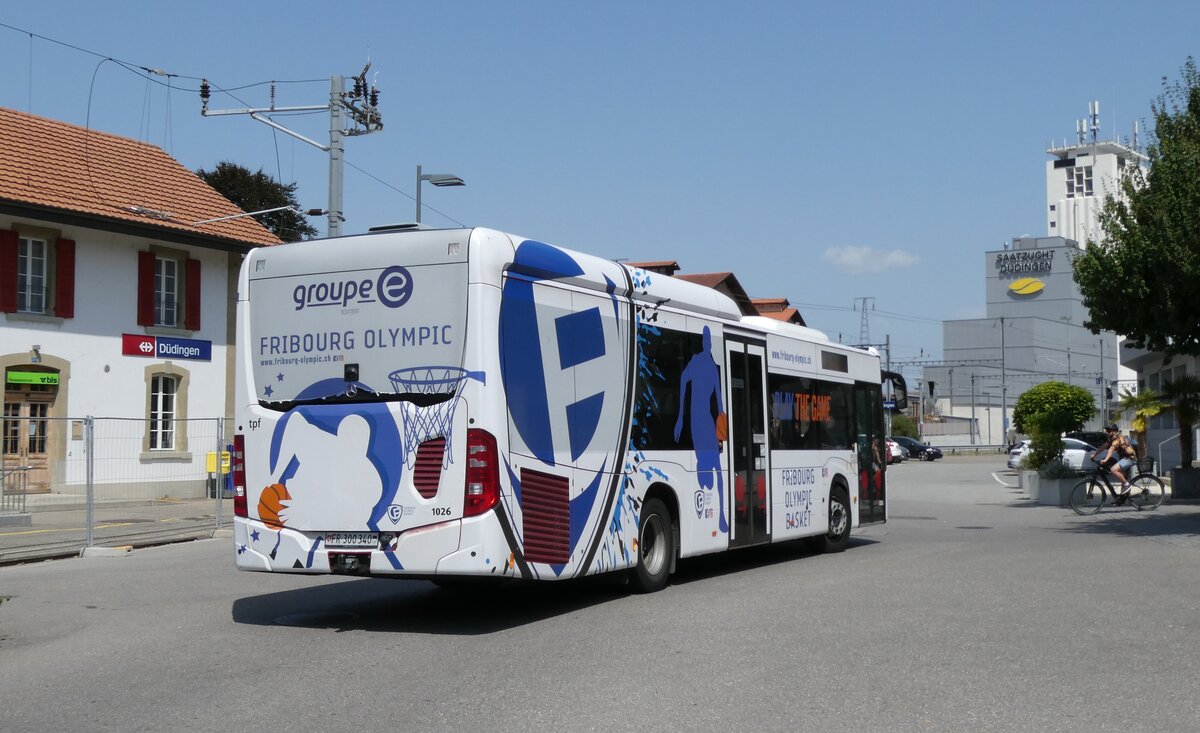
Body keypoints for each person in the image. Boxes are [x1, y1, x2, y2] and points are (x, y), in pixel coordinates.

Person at [1091, 423, 1137, 495]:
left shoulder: (1118, 438)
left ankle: (1128, 485)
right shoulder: (1112, 438)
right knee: (1121, 476)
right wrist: (1095, 454)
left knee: (1113, 469)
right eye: (1106, 430)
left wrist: (1105, 460)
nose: (1107, 432)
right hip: (1124, 459)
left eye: (1109, 431)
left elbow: (1111, 449)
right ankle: (1120, 499)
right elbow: (1104, 446)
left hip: (1130, 459)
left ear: (1114, 431)